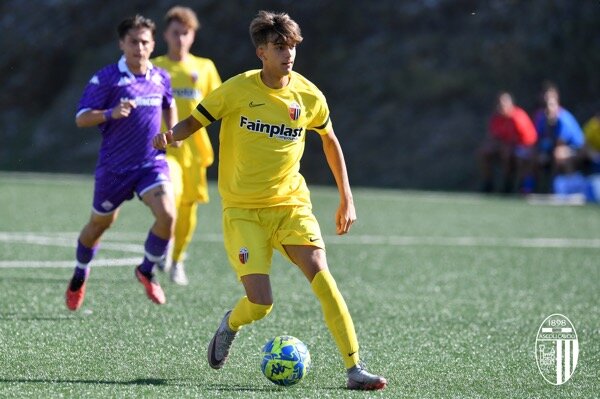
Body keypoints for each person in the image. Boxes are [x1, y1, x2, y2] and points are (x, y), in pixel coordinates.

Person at [152, 10, 387, 391]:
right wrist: (169, 136)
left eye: (291, 46)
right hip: (243, 211)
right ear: (261, 52)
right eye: (279, 47)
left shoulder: (309, 95)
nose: (288, 54)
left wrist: (347, 197)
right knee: (261, 304)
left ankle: (354, 368)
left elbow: (329, 140)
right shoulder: (237, 89)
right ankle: (230, 324)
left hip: (290, 205)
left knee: (324, 279)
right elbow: (195, 121)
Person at [65, 15, 177, 311]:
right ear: (122, 44)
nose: (139, 47)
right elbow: (81, 118)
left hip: (151, 165)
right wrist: (110, 113)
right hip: (114, 169)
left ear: (153, 44)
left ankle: (146, 270)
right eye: (133, 42)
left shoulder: (161, 76)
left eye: (145, 42)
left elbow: (169, 103)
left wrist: (172, 133)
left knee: (168, 215)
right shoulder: (107, 78)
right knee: (99, 225)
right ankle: (79, 274)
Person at [152, 6, 222, 285]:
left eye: (186, 33)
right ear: (165, 35)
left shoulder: (204, 68)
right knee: (173, 197)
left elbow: (219, 105)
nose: (180, 39)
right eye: (175, 33)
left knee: (189, 211)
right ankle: (164, 246)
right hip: (165, 149)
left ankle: (177, 260)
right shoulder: (155, 67)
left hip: (195, 152)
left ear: (192, 36)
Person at [478, 91, 537, 193]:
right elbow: (493, 137)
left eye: (503, 103)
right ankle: (488, 184)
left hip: (523, 148)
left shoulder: (518, 117)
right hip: (505, 147)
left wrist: (509, 146)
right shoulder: (497, 118)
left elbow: (529, 141)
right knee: (484, 152)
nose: (501, 106)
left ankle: (509, 184)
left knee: (507, 153)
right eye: (499, 103)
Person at [533, 83, 585, 193]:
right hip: (554, 149)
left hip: (577, 150)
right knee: (534, 155)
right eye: (546, 105)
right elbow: (538, 139)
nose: (548, 108)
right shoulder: (542, 118)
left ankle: (564, 188)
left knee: (559, 154)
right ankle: (531, 188)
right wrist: (540, 153)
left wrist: (546, 155)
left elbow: (560, 144)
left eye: (551, 105)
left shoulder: (563, 119)